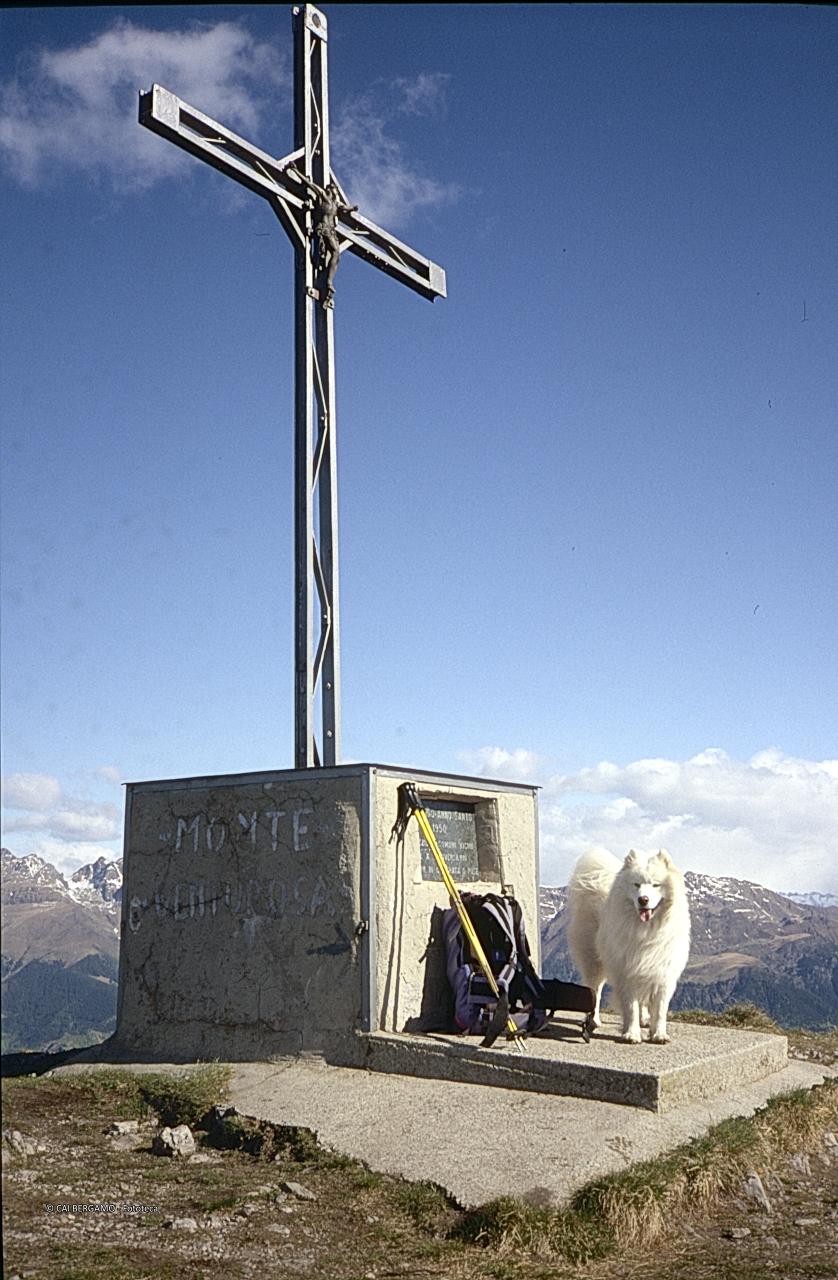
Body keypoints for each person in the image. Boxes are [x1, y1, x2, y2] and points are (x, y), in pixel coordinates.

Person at [288, 167, 357, 307]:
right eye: (335, 190)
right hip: (323, 229)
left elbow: (345, 208)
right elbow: (310, 184)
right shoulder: (323, 197)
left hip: (331, 231)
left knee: (336, 254)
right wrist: (296, 171)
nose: (336, 193)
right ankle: (326, 280)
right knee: (328, 254)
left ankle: (329, 281)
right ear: (330, 190)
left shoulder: (336, 204)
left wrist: (353, 208)